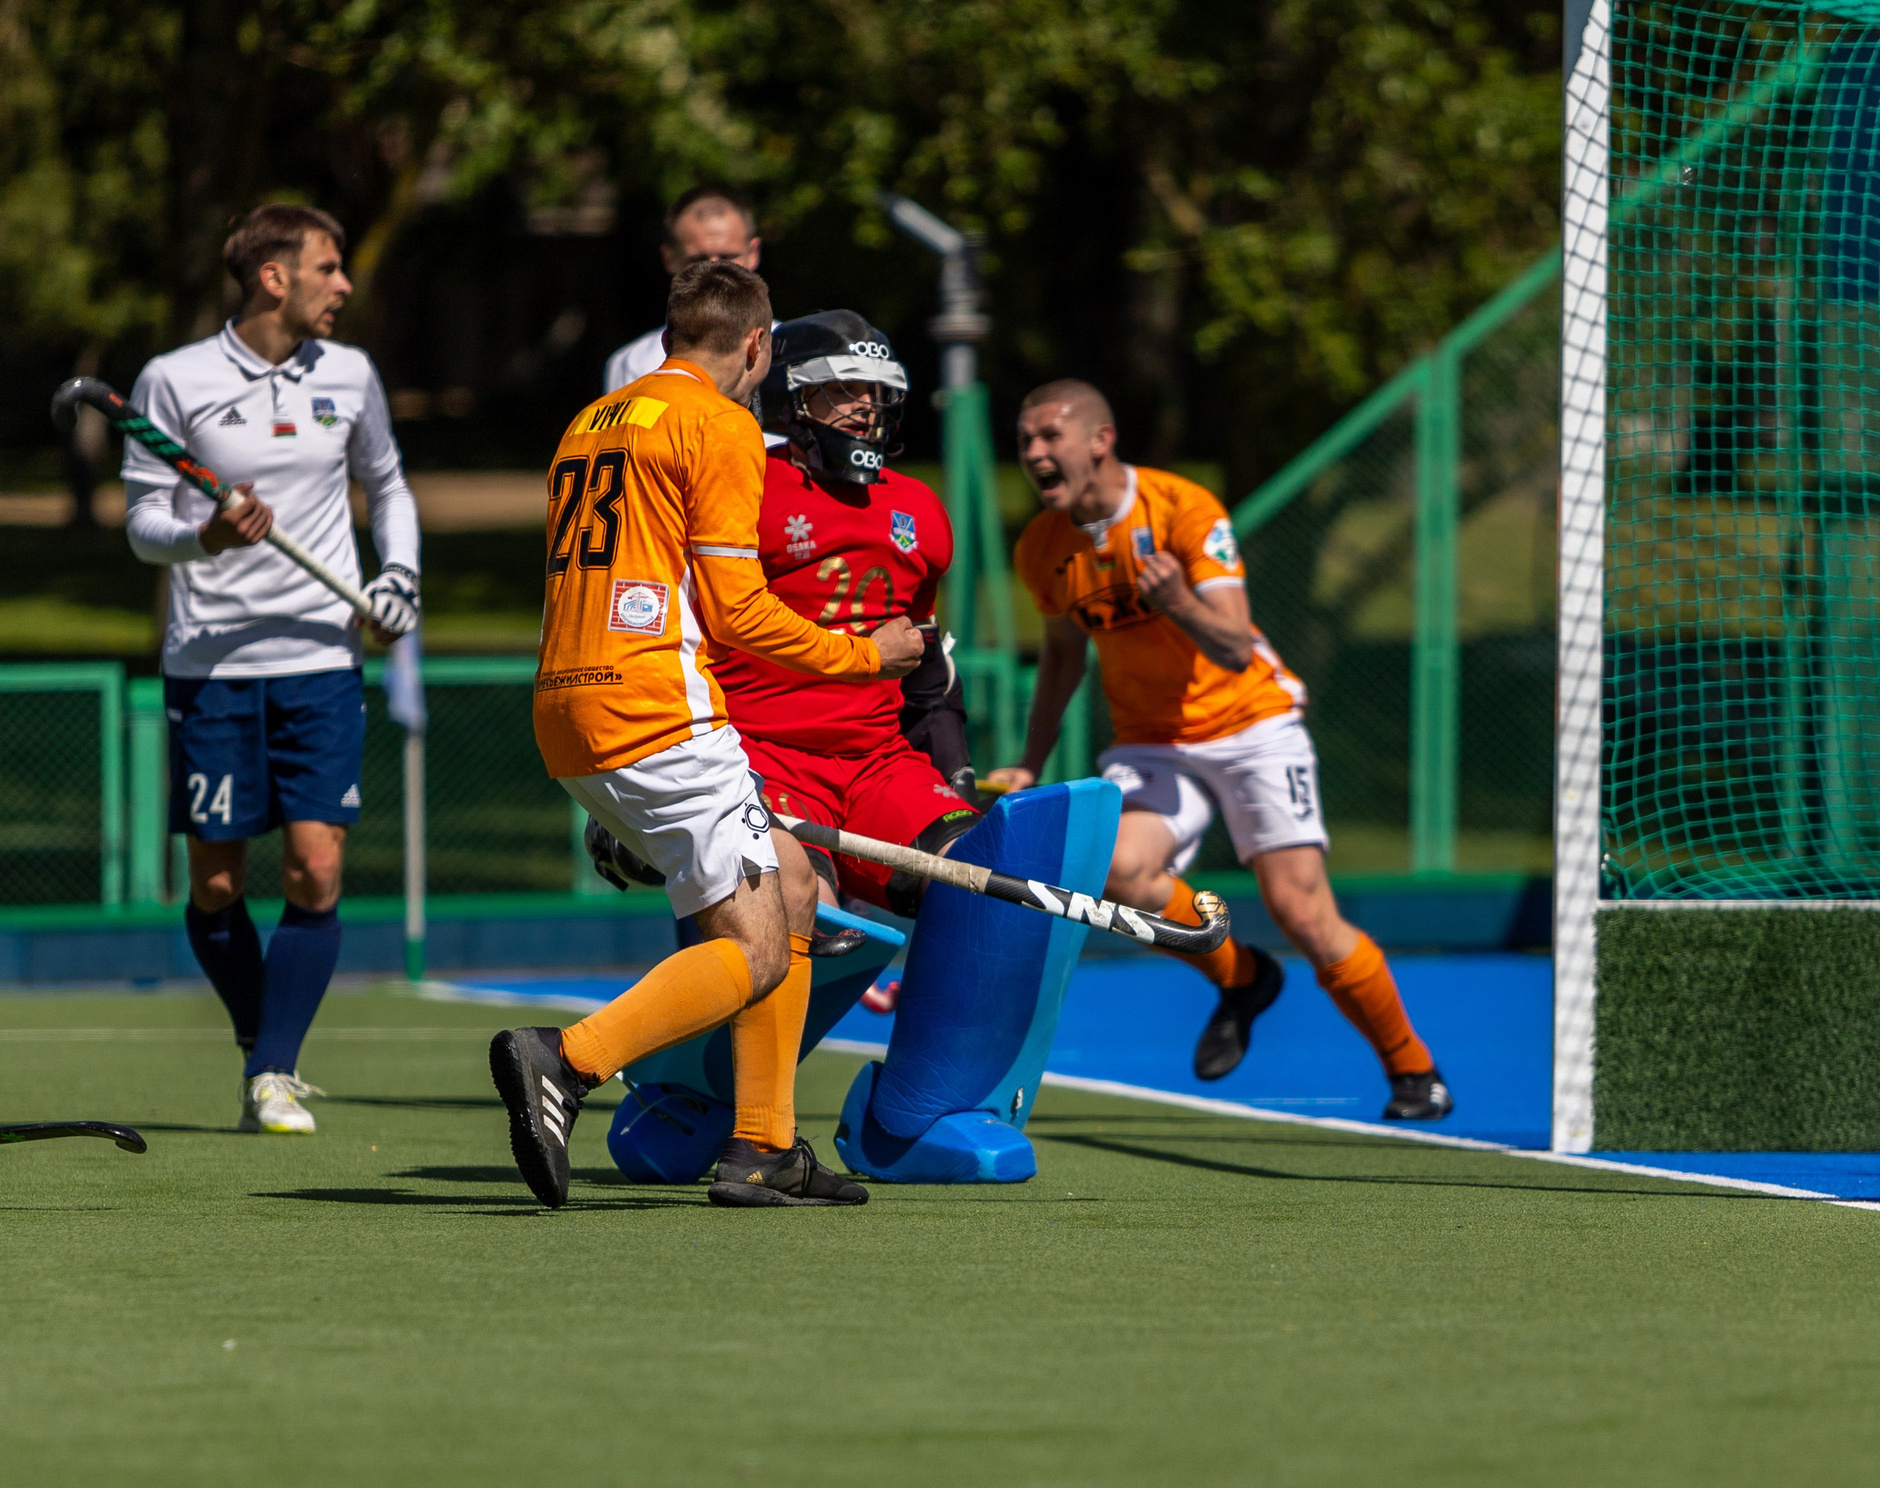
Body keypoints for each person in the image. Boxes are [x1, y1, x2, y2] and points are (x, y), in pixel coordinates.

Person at [489, 261, 924, 1209]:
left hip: (566, 704)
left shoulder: (593, 419)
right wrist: (866, 656)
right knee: (758, 949)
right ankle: (567, 1059)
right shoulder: (720, 424)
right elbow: (738, 613)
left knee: (792, 886)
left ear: (667, 338)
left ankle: (763, 1146)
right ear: (758, 347)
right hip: (658, 706)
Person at [982, 380, 1453, 1121]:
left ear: (1100, 440)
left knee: (1301, 912)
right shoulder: (1042, 547)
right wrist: (1031, 760)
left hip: (1251, 725)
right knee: (1118, 874)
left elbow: (1235, 645)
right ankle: (1242, 977)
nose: (1034, 453)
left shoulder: (1183, 508)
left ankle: (1413, 1069)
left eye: (1050, 436)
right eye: (1024, 440)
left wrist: (1176, 601)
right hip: (1153, 741)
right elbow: (1064, 655)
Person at [122, 204, 421, 1135]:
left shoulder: (351, 373)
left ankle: (274, 1070)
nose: (345, 284)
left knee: (316, 867)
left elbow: (389, 485)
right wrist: (207, 536)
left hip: (321, 657)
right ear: (273, 277)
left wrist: (399, 577)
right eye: (328, 267)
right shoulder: (173, 379)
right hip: (211, 663)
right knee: (216, 886)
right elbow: (144, 525)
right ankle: (263, 1037)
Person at [711, 311, 980, 925]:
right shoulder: (742, 486)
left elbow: (927, 666)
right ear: (793, 395)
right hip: (763, 758)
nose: (866, 405)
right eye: (845, 388)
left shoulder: (919, 507)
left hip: (878, 762)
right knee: (803, 908)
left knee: (974, 875)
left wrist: (954, 770)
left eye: (876, 391)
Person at [601, 187, 765, 397]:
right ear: (669, 258)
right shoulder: (634, 363)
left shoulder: (794, 348)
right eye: (697, 259)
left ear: (753, 253)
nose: (713, 272)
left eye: (728, 257)